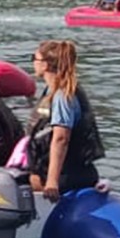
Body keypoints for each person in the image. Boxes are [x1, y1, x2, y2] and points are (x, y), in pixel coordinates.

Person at [25, 40, 106, 201]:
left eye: (34, 58)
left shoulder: (62, 95)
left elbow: (61, 138)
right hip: (57, 170)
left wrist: (52, 182)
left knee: (12, 185)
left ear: (45, 65)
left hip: (68, 175)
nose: (33, 62)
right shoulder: (51, 90)